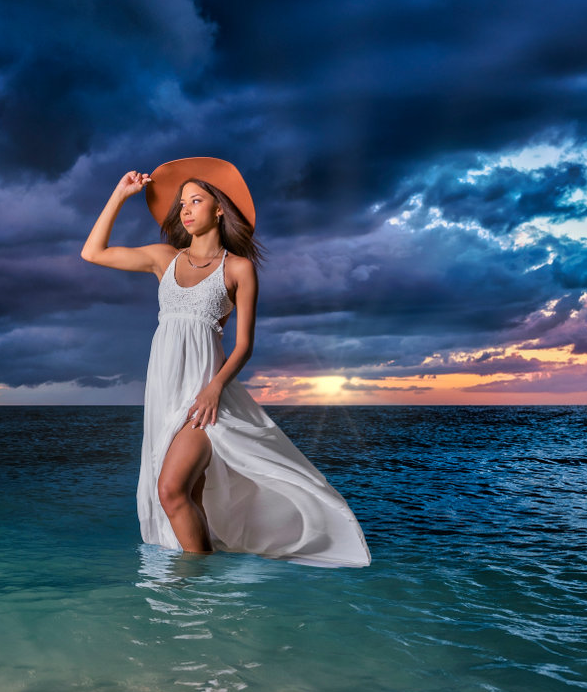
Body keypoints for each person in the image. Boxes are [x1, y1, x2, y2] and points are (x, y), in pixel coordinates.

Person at [81, 157, 370, 567]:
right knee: (190, 496)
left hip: (204, 397)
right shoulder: (164, 258)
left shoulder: (238, 268)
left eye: (195, 201)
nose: (185, 209)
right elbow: (92, 252)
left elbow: (245, 345)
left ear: (218, 208)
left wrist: (213, 388)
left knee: (170, 491)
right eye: (182, 203)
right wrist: (120, 194)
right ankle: (204, 587)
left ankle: (192, 581)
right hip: (165, 392)